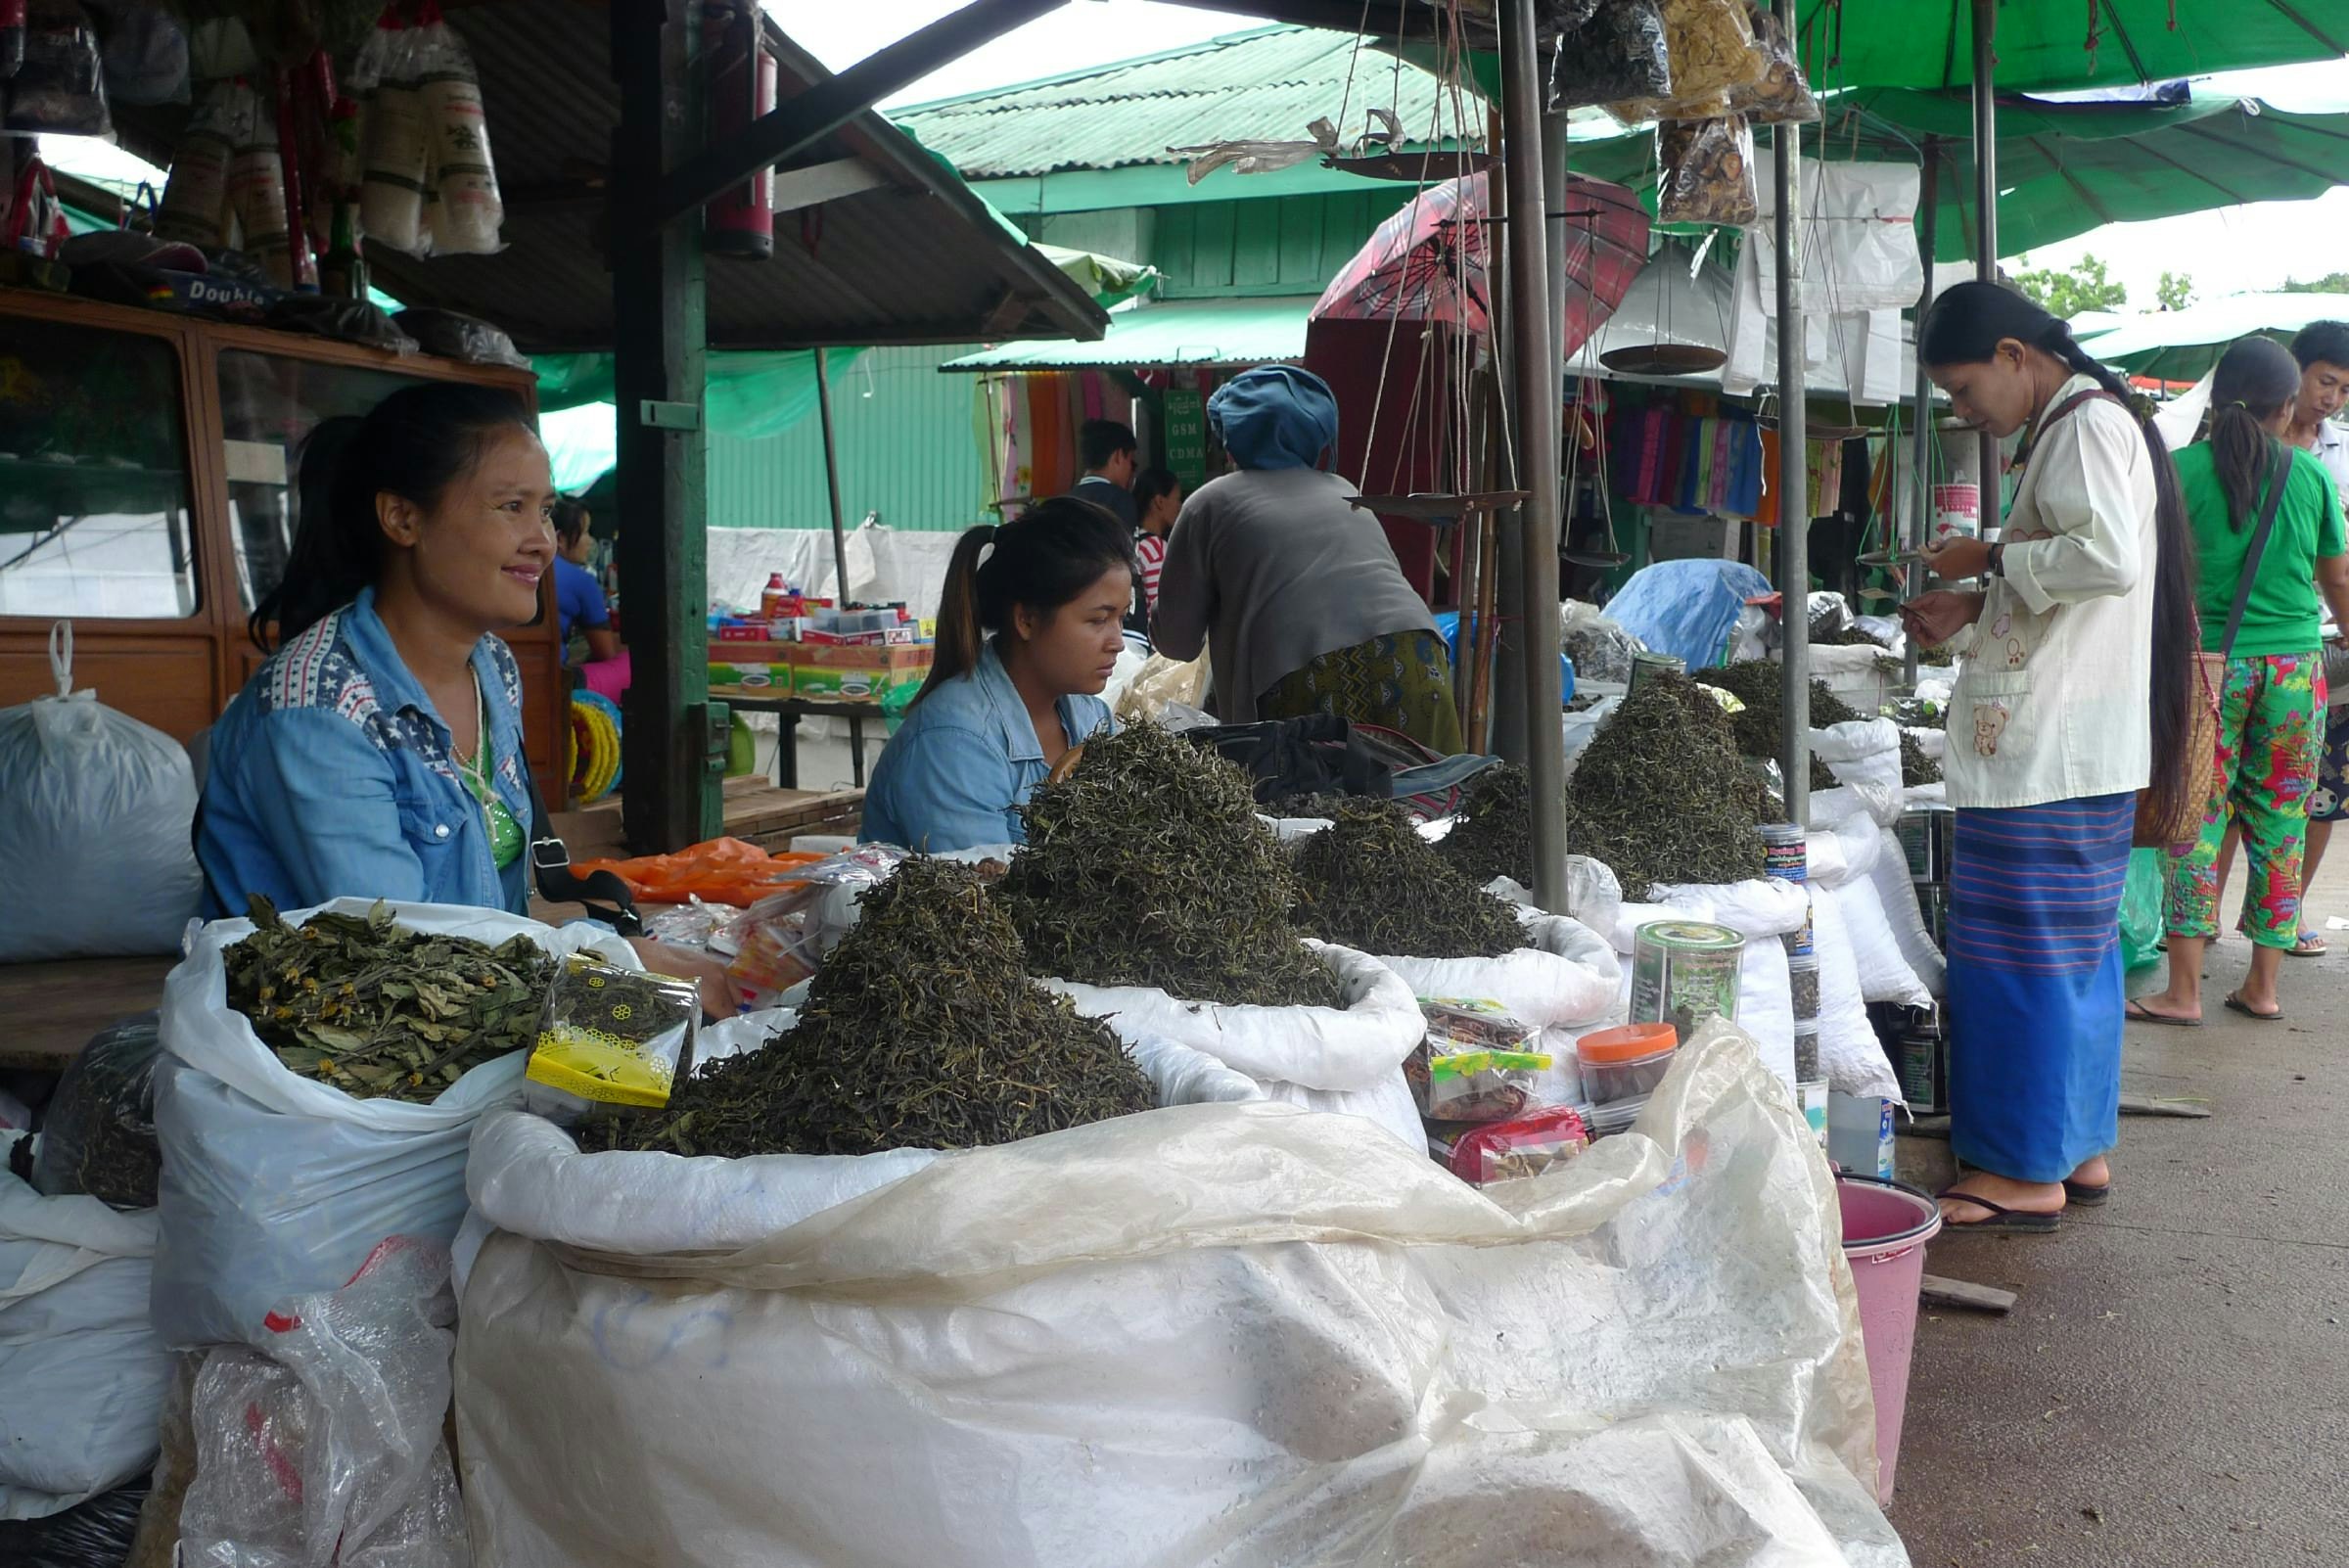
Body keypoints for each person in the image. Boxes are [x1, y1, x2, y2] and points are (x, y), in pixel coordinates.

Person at [196, 384, 733, 1011]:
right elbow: (401, 952)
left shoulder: (491, 665)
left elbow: (486, 919)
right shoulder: (318, 711)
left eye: (546, 510)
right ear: (403, 518)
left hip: (475, 1014)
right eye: (511, 506)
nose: (544, 540)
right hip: (328, 1049)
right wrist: (607, 954)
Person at [1898, 281, 2197, 1233]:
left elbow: (2104, 559)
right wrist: (1980, 599)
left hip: (2051, 752)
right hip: (2071, 748)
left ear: (2016, 356)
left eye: (1963, 386)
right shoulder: (2083, 425)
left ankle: (2026, 1169)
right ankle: (2072, 1148)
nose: (1962, 410)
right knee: (2072, 959)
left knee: (2019, 962)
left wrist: (1985, 562)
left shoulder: (2084, 427)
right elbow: (2080, 575)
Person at [2130, 339, 2349, 1026]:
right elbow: (2337, 579)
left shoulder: (2179, 471)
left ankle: (2185, 990)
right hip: (2293, 672)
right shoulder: (2310, 478)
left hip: (2206, 670)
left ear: (2220, 399)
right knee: (2283, 823)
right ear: (2286, 408)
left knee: (2196, 819)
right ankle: (2263, 986)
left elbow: (2149, 576)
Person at [1151, 365, 1462, 754]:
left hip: (1302, 673)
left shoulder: (1210, 502)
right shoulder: (1343, 490)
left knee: (1311, 809)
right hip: (1413, 654)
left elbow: (1177, 642)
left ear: (1229, 440)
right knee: (1430, 796)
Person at [859, 498, 1133, 853]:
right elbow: (986, 897)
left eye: (1122, 618)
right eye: (1098, 620)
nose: (1118, 642)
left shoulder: (1092, 719)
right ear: (1027, 620)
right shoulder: (955, 743)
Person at [552, 496, 621, 665]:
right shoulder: (583, 581)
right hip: (554, 682)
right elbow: (606, 653)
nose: (590, 541)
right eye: (585, 532)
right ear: (560, 539)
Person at [1129, 465, 1181, 622]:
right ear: (1159, 501)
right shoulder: (1156, 550)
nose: (1180, 506)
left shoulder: (1133, 540)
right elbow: (1159, 612)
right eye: (1177, 499)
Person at [1069, 418, 1139, 529]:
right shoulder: (1119, 500)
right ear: (1118, 456)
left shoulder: (1062, 502)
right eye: (1131, 462)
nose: (1131, 471)